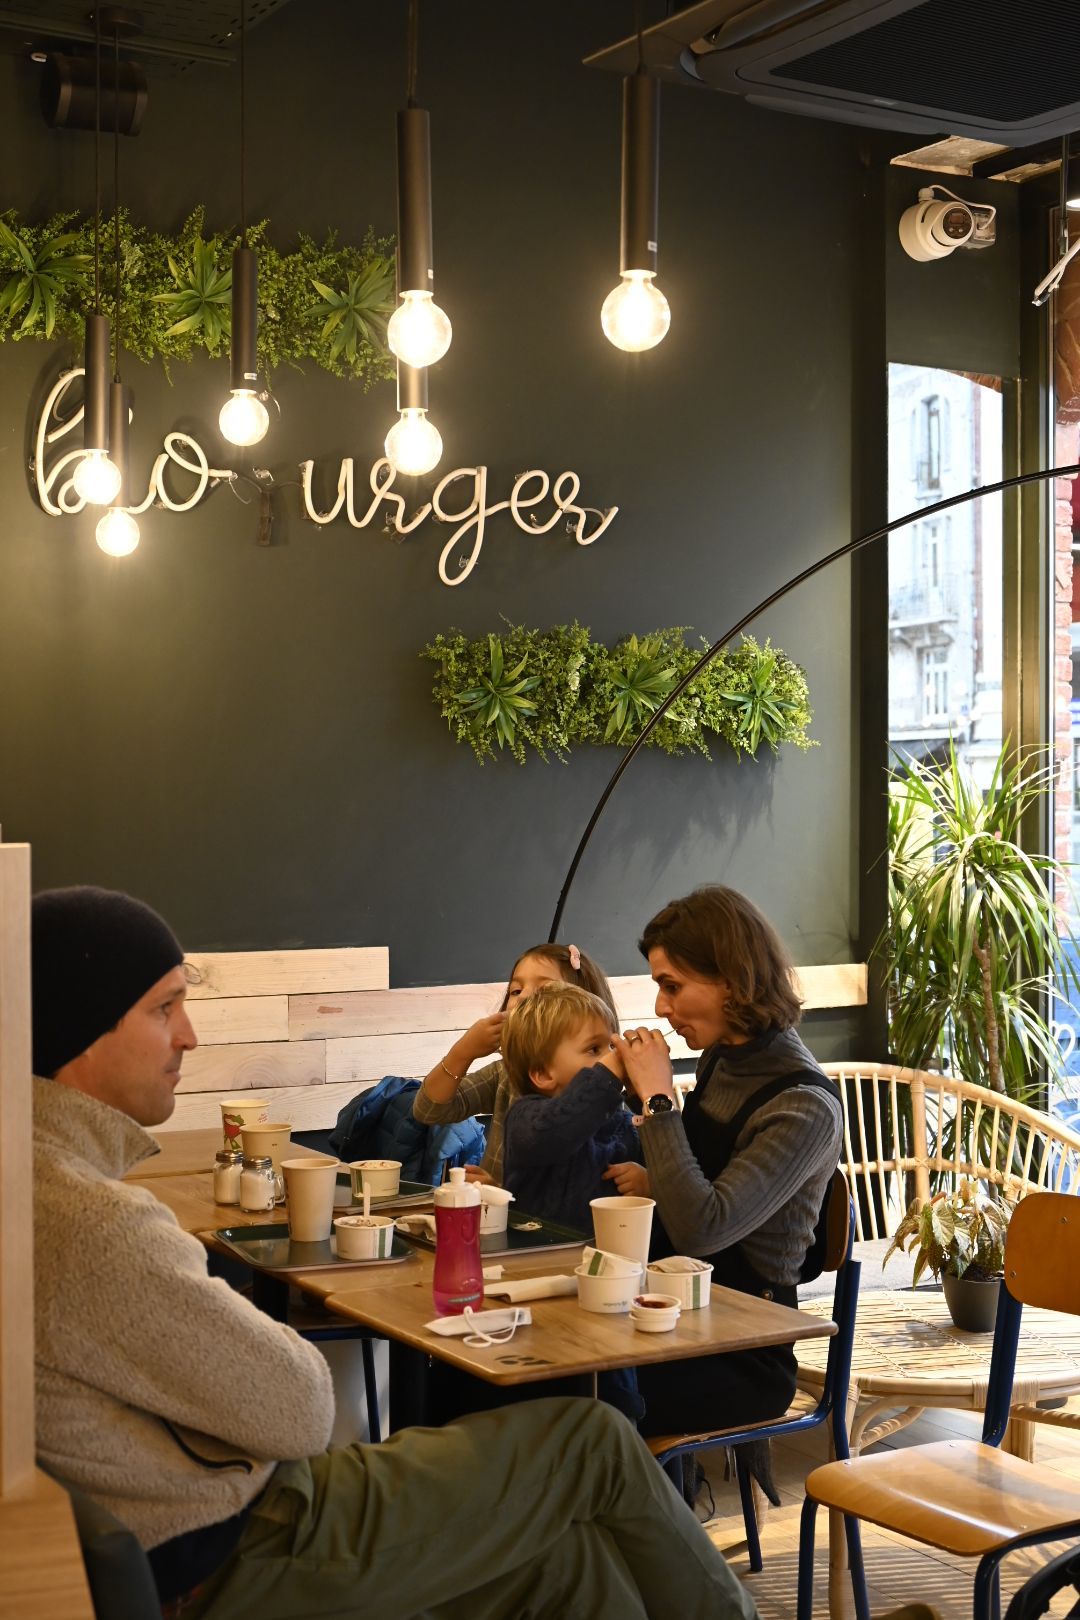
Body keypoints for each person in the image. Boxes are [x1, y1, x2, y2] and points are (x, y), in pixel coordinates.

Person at [31, 885, 760, 1620]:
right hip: (238, 1548)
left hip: (199, 1532)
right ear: (81, 1030)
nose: (188, 1035)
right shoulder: (91, 1221)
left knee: (572, 1567)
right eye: (164, 1008)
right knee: (594, 1441)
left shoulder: (37, 1186)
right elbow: (302, 1409)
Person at [613, 885, 843, 1453]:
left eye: (673, 986)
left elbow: (703, 1228)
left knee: (581, 1397)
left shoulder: (804, 1105)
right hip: (679, 1313)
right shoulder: (723, 1057)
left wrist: (659, 1100)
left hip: (744, 1352)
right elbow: (690, 1179)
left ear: (733, 983)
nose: (662, 1008)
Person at [412, 941, 616, 1185]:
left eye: (544, 989)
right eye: (516, 991)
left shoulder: (603, 1096)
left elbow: (576, 1188)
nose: (524, 998)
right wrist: (463, 1052)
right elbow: (429, 1110)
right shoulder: (505, 1075)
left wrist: (500, 1191)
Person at [501, 980, 644, 1233]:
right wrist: (606, 1076)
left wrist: (646, 1180)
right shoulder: (525, 1117)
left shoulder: (622, 1122)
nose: (612, 1056)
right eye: (594, 1049)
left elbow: (670, 1166)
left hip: (608, 1264)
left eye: (612, 1045)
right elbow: (560, 1128)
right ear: (544, 1074)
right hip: (537, 1262)